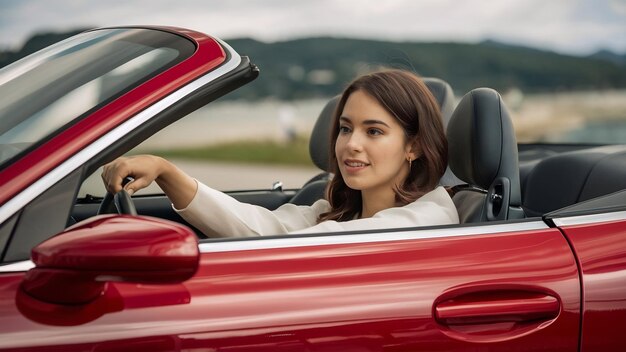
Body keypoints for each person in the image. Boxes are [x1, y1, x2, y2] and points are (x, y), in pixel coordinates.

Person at [102, 69, 459, 237]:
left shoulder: (427, 219)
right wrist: (166, 171)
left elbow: (288, 243)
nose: (351, 144)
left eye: (374, 131)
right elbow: (256, 226)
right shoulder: (333, 213)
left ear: (413, 145)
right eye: (346, 128)